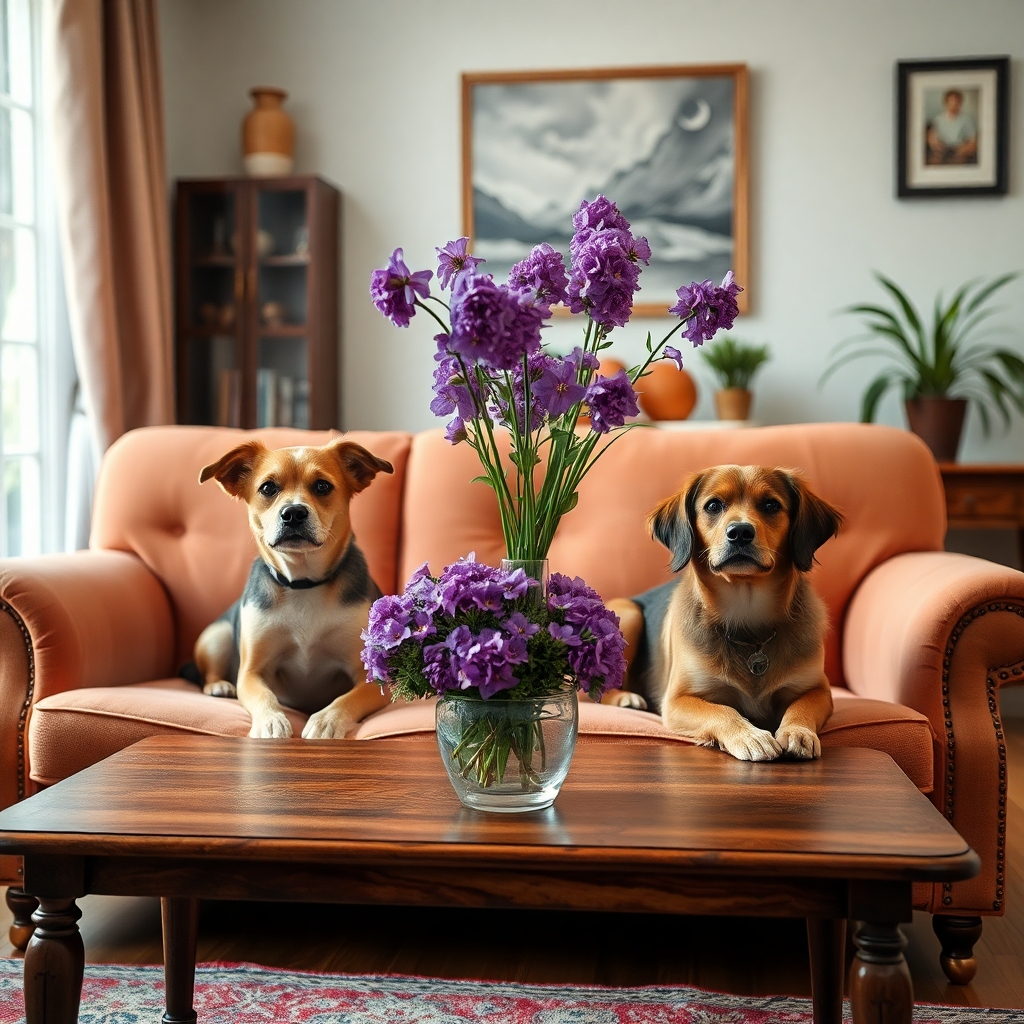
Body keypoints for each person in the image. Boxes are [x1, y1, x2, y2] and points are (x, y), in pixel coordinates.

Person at [926, 89, 978, 165]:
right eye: (951, 101)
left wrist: (962, 150)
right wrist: (936, 146)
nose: (953, 104)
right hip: (941, 151)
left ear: (960, 103)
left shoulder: (967, 120)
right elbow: (931, 138)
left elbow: (973, 142)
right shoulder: (937, 120)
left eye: (956, 102)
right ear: (946, 102)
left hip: (959, 151)